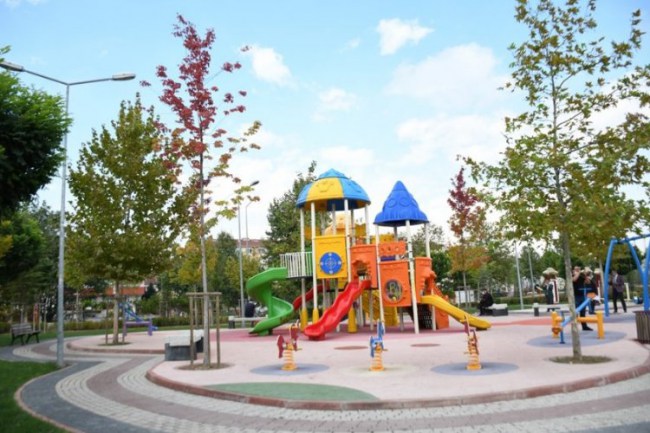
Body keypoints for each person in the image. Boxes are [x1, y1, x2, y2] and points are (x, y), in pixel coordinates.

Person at [572, 265, 593, 331]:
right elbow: (574, 280)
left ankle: (584, 326)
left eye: (579, 268)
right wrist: (578, 273)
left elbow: (588, 282)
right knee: (575, 312)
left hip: (582, 295)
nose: (578, 269)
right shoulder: (572, 275)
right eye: (576, 269)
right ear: (574, 270)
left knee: (583, 312)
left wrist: (585, 275)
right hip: (575, 296)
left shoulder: (581, 276)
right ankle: (575, 326)